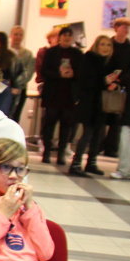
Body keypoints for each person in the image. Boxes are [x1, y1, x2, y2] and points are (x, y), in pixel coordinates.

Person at [68, 34, 120, 177]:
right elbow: (86, 81)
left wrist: (114, 84)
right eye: (102, 44)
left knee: (99, 134)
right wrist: (104, 81)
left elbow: (114, 80)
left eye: (108, 45)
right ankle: (76, 163)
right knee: (88, 133)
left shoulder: (111, 62)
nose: (105, 48)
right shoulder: (89, 58)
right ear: (97, 45)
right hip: (89, 102)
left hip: (103, 103)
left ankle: (91, 162)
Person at [38, 27, 82, 166]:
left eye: (69, 35)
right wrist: (58, 74)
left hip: (69, 95)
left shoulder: (77, 53)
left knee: (66, 126)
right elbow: (44, 70)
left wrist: (73, 74)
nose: (67, 38)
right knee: (49, 124)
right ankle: (46, 152)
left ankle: (61, 153)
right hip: (53, 94)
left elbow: (82, 73)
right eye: (64, 35)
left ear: (72, 38)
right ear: (60, 37)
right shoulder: (51, 52)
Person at [102, 17, 130, 157]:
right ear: (116, 28)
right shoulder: (108, 43)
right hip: (105, 83)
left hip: (121, 85)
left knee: (116, 118)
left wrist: (119, 81)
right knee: (102, 116)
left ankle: (111, 147)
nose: (126, 30)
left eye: (128, 28)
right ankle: (98, 145)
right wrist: (107, 80)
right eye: (124, 27)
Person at [8, 25, 35, 123]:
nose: (18, 37)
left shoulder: (28, 54)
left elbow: (29, 71)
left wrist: (16, 84)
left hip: (21, 88)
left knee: (16, 115)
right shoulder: (6, 52)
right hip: (6, 88)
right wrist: (9, 84)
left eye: (20, 35)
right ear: (11, 35)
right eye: (16, 34)